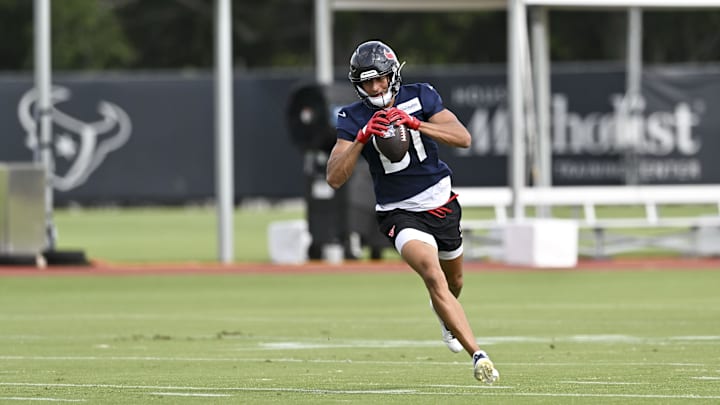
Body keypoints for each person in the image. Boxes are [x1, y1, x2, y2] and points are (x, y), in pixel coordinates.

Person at [325, 40, 500, 384]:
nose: (374, 87)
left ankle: (446, 318)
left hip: (442, 203)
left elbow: (462, 138)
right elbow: (333, 177)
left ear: (393, 75)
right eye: (366, 81)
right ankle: (479, 355)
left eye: (380, 79)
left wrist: (416, 124)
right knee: (433, 277)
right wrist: (361, 138)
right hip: (398, 212)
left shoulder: (421, 96)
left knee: (455, 282)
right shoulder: (352, 117)